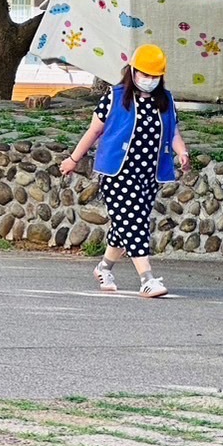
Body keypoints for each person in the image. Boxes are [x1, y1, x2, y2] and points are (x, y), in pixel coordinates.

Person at [59, 44, 190, 297]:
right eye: (145, 74)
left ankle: (104, 267)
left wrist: (181, 152)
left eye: (155, 76)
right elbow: (94, 131)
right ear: (132, 71)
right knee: (135, 222)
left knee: (125, 224)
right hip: (117, 172)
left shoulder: (166, 100)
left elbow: (173, 132)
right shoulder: (115, 96)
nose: (149, 80)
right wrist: (73, 159)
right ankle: (147, 279)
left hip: (149, 173)